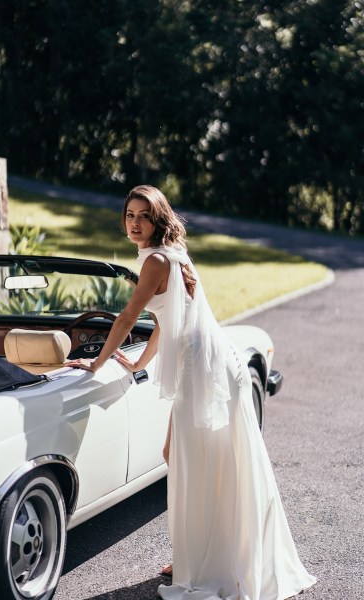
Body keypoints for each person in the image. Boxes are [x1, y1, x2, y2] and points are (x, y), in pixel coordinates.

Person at [66, 185, 316, 600]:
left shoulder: (159, 259)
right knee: (184, 456)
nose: (134, 223)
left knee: (195, 461)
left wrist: (95, 363)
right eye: (129, 214)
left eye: (143, 215)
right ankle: (200, 554)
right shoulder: (171, 254)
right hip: (214, 363)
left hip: (204, 368)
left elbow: (129, 317)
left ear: (158, 217)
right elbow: (167, 319)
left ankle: (202, 564)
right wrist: (140, 364)